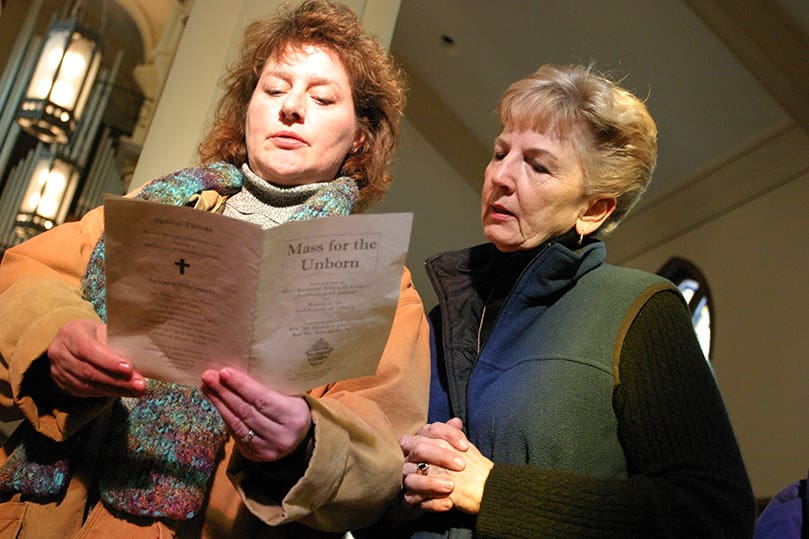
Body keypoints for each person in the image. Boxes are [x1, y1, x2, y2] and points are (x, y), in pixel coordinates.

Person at [0, 1, 430, 537]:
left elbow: (385, 445)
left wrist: (307, 442)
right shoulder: (157, 206)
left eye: (322, 97)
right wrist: (56, 338)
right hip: (39, 513)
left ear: (360, 137)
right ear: (247, 107)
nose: (291, 108)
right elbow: (24, 275)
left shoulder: (380, 281)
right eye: (274, 89)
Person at [395, 64, 755, 537]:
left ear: (594, 208)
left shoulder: (640, 309)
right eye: (500, 152)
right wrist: (407, 479)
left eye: (538, 165)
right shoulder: (445, 315)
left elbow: (712, 511)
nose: (501, 175)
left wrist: (495, 491)